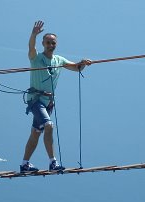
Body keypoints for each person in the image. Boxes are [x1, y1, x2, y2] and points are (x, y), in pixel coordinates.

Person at [20, 20, 91, 173]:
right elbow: (31, 47)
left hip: (47, 104)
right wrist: (33, 34)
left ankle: (25, 164)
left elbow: (77, 68)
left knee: (36, 133)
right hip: (36, 100)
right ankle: (53, 162)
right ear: (43, 43)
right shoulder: (36, 58)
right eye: (48, 42)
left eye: (53, 43)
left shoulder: (59, 60)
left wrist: (83, 63)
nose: (51, 45)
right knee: (49, 125)